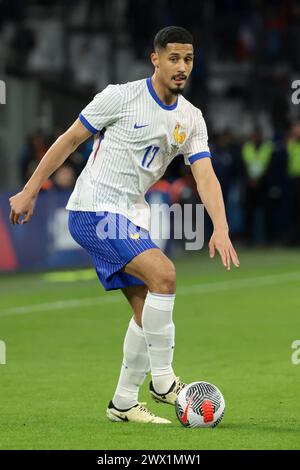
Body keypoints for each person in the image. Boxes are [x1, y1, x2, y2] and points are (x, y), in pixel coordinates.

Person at [9, 26, 239, 424]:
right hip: (93, 209)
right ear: (155, 59)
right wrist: (30, 190)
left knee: (146, 312)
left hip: (129, 215)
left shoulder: (191, 118)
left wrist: (220, 226)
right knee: (164, 274)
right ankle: (164, 382)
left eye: (188, 59)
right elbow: (68, 140)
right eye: (173, 58)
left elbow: (205, 176)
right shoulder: (120, 96)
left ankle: (122, 403)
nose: (181, 67)